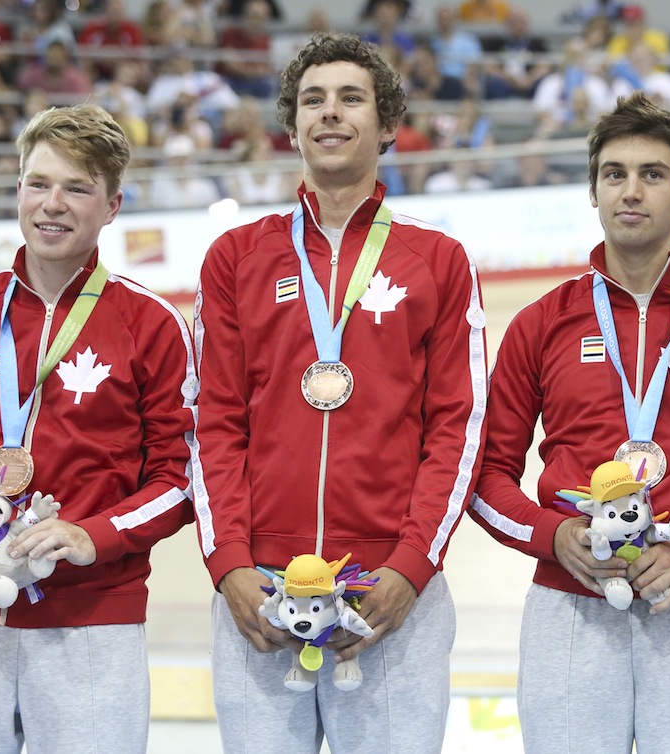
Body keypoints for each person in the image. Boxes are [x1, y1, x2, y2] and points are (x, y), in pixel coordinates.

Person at [468, 91, 670, 753]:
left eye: (652, 174)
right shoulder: (541, 323)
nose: (631, 191)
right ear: (593, 190)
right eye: (614, 174)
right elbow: (482, 475)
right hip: (570, 602)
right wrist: (554, 538)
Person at [193, 32, 487, 753]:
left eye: (351, 98)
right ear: (291, 127)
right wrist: (229, 563)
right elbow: (211, 421)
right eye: (312, 101)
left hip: (391, 597)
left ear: (387, 125)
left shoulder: (438, 261)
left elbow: (459, 426)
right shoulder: (237, 256)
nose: (330, 114)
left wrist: (411, 566)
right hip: (261, 595)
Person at [0, 103, 198, 752]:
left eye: (78, 188)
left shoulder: (153, 324)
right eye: (38, 183)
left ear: (111, 206)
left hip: (91, 622)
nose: (53, 204)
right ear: (17, 189)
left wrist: (93, 535)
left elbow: (184, 475)